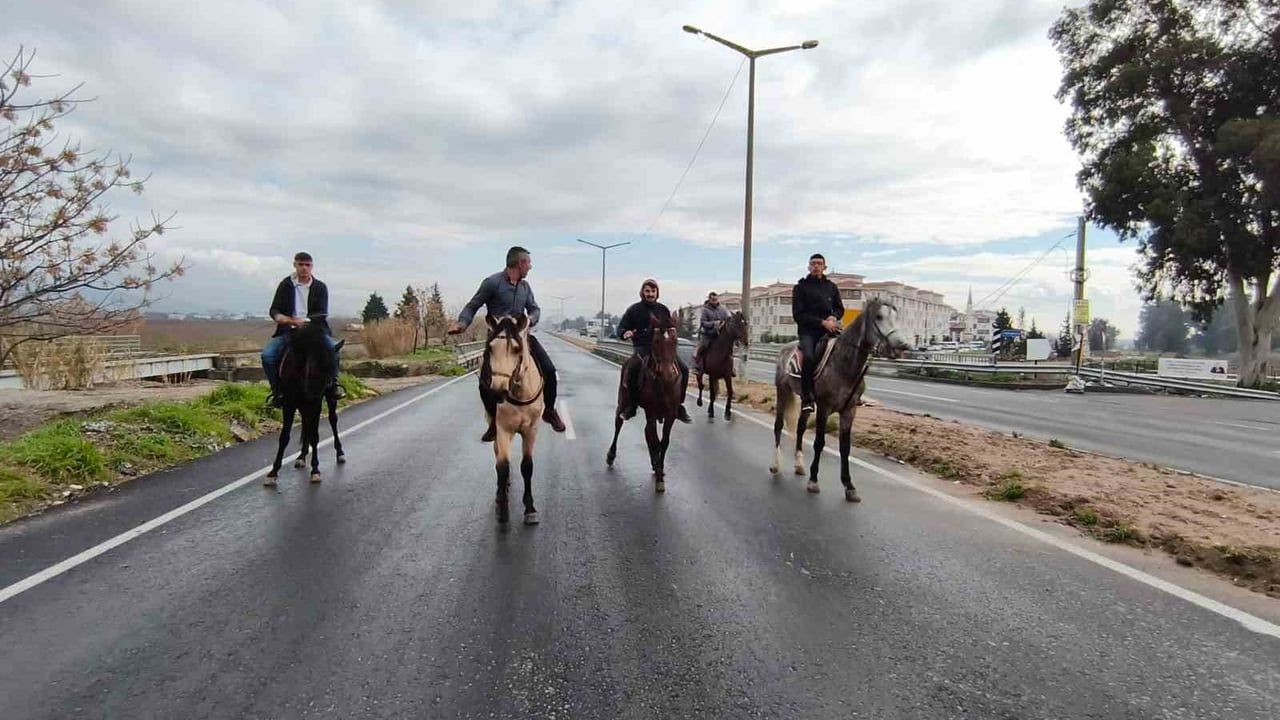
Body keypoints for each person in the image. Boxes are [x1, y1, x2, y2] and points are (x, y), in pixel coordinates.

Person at [449, 246, 566, 441]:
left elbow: (535, 308)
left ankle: (550, 411)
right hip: (498, 342)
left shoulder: (525, 287)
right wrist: (462, 323)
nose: (530, 266)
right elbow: (473, 305)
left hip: (522, 339)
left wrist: (531, 320)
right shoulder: (492, 283)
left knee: (550, 371)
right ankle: (494, 421)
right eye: (528, 263)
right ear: (520, 264)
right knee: (484, 384)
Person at [261, 252, 344, 408]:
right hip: (288, 331)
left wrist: (305, 321)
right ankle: (277, 392)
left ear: (312, 267)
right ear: (295, 265)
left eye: (307, 265)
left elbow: (322, 312)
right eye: (301, 264)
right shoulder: (285, 285)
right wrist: (283, 319)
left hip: (315, 330)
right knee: (267, 356)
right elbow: (274, 309)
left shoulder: (320, 287)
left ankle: (333, 385)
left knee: (333, 351)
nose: (304, 268)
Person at [616, 279, 693, 424]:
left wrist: (672, 331)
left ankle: (679, 406)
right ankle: (632, 405)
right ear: (642, 292)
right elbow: (621, 327)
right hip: (642, 347)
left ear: (657, 293)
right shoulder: (634, 310)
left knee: (684, 369)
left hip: (662, 349)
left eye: (653, 291)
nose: (650, 294)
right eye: (647, 291)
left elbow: (670, 326)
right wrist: (624, 333)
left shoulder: (663, 309)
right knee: (632, 369)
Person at [791, 253, 844, 413]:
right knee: (809, 357)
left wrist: (834, 317)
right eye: (813, 263)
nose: (816, 266)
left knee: (850, 352)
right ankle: (807, 398)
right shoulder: (800, 287)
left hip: (831, 329)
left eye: (819, 263)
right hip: (809, 332)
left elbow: (840, 308)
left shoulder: (831, 287)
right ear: (808, 267)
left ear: (824, 267)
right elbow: (798, 315)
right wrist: (822, 322)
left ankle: (850, 393)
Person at [693, 291, 731, 371]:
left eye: (716, 299)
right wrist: (714, 323)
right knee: (702, 347)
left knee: (729, 348)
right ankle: (697, 366)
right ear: (709, 300)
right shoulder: (705, 310)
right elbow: (703, 323)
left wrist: (726, 321)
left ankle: (730, 368)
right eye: (713, 300)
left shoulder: (722, 309)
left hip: (720, 334)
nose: (715, 301)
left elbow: (728, 318)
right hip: (708, 334)